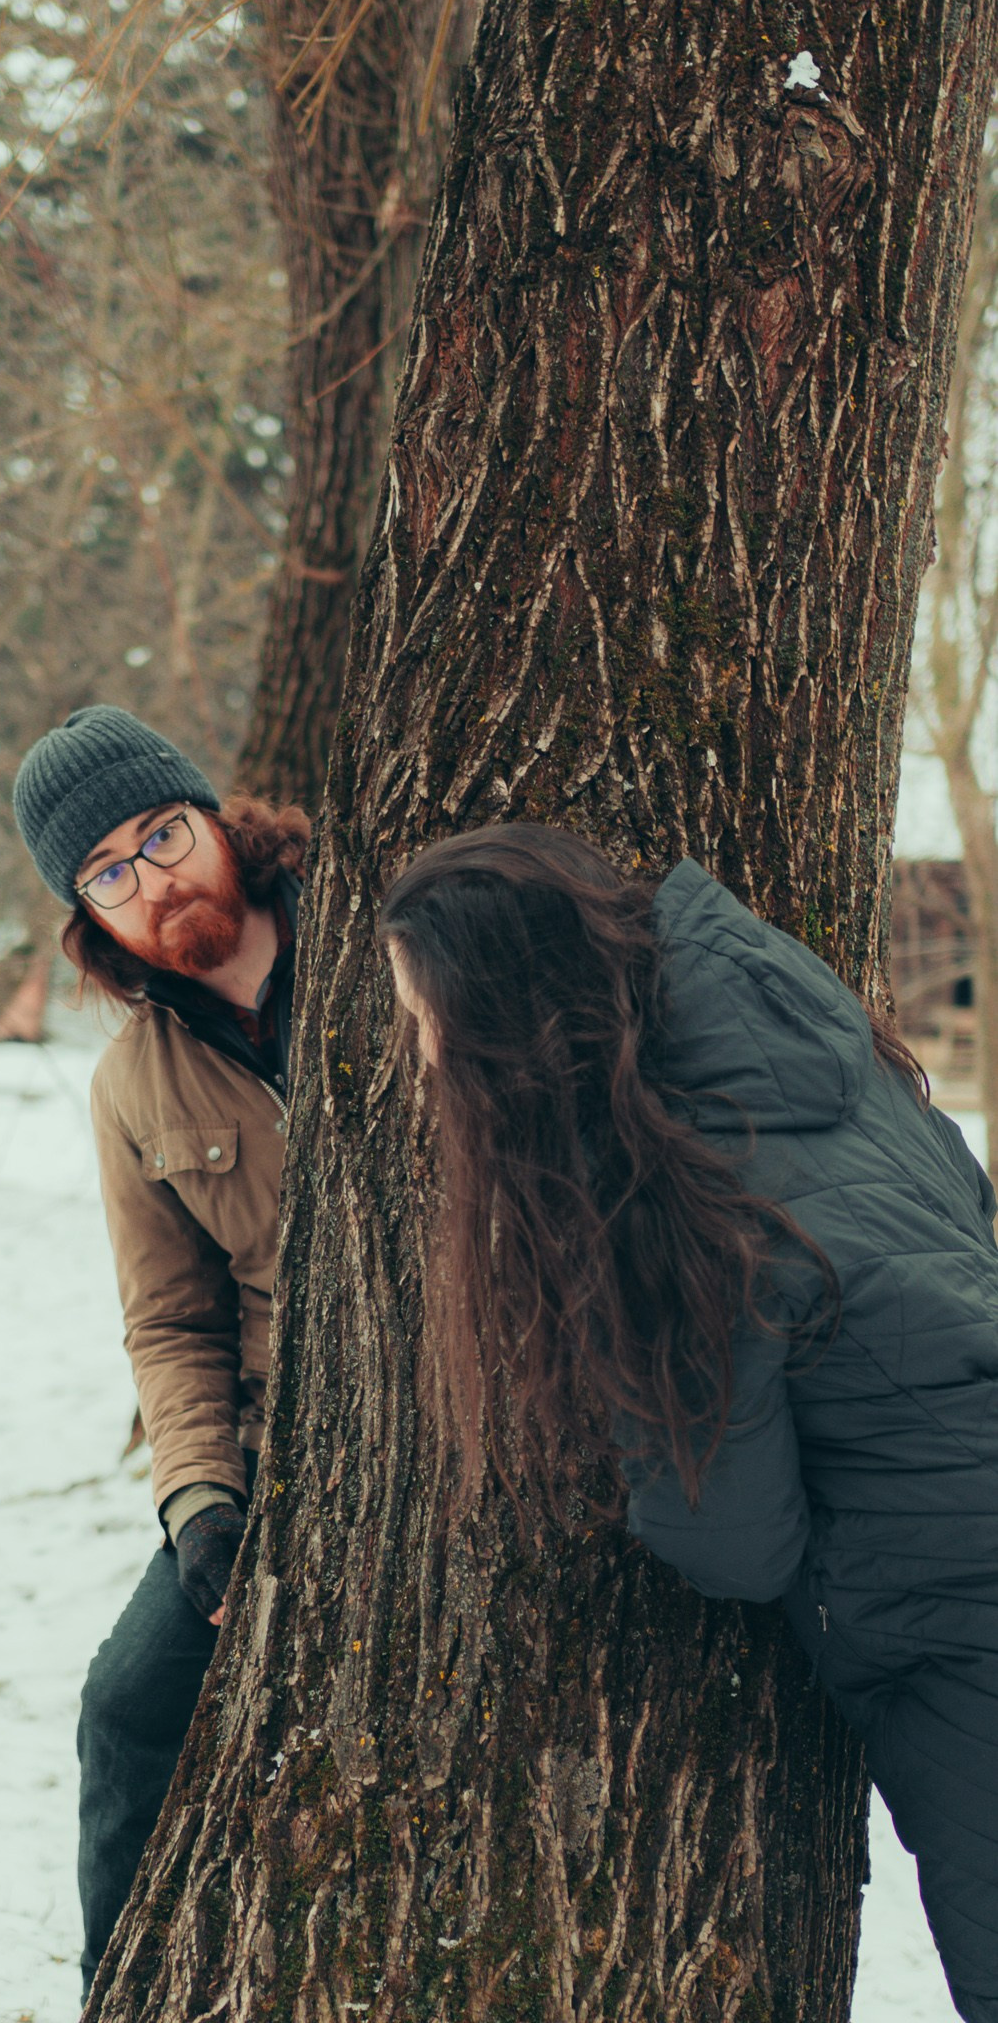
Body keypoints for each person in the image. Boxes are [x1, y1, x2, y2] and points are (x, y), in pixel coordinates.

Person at [380, 823, 998, 2023]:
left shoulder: (668, 1194)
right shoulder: (798, 1043)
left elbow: (736, 1541)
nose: (420, 1050)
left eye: (424, 1015)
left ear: (505, 1020)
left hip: (959, 1623)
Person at [12, 706, 307, 2003]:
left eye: (164, 835)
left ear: (220, 822)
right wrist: (200, 1502)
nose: (154, 880)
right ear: (91, 918)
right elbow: (170, 1322)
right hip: (276, 1437)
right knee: (128, 1705)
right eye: (110, 874)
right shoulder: (133, 1084)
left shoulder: (374, 946)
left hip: (478, 1398)